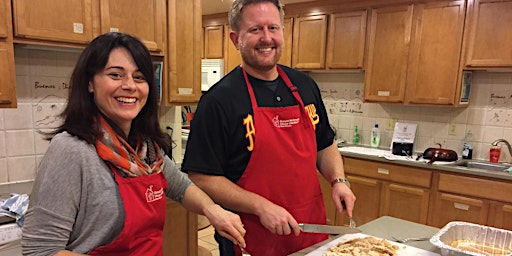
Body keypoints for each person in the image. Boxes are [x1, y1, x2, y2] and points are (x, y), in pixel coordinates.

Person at [21, 32, 246, 256]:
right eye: (116, 75)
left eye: (139, 77)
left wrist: (213, 209)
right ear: (90, 83)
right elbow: (40, 250)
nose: (130, 86)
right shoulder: (72, 150)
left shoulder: (145, 150)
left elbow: (182, 188)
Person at [181, 0, 356, 255]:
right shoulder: (218, 101)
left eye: (273, 28)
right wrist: (261, 206)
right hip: (249, 236)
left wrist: (339, 180)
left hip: (309, 231)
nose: (266, 38)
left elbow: (324, 143)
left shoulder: (305, 86)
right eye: (255, 30)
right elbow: (202, 176)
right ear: (235, 38)